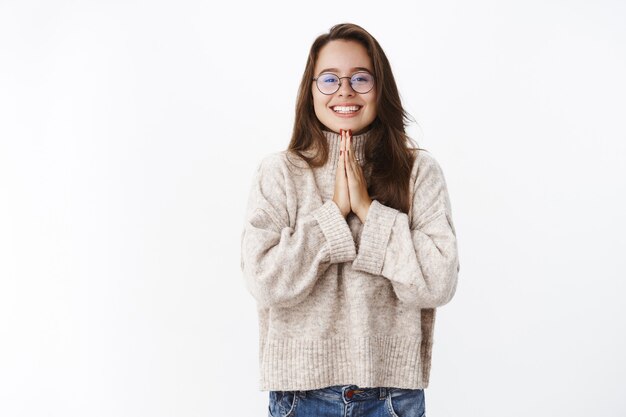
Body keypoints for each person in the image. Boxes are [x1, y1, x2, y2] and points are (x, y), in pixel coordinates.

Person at [240, 22, 460, 417]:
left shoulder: (418, 171)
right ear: (310, 90)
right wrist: (334, 212)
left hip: (392, 395)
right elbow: (265, 281)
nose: (344, 90)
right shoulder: (279, 172)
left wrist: (367, 211)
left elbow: (438, 282)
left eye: (361, 78)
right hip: (299, 396)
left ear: (381, 89)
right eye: (329, 79)